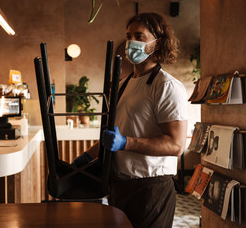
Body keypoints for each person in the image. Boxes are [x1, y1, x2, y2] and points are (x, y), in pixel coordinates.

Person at [73, 12, 188, 228]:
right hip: (120, 185)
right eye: (129, 36)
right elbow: (115, 136)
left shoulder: (166, 87)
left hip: (151, 189)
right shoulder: (123, 84)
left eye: (139, 36)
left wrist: (126, 143)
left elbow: (176, 144)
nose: (131, 42)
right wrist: (87, 156)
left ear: (157, 43)